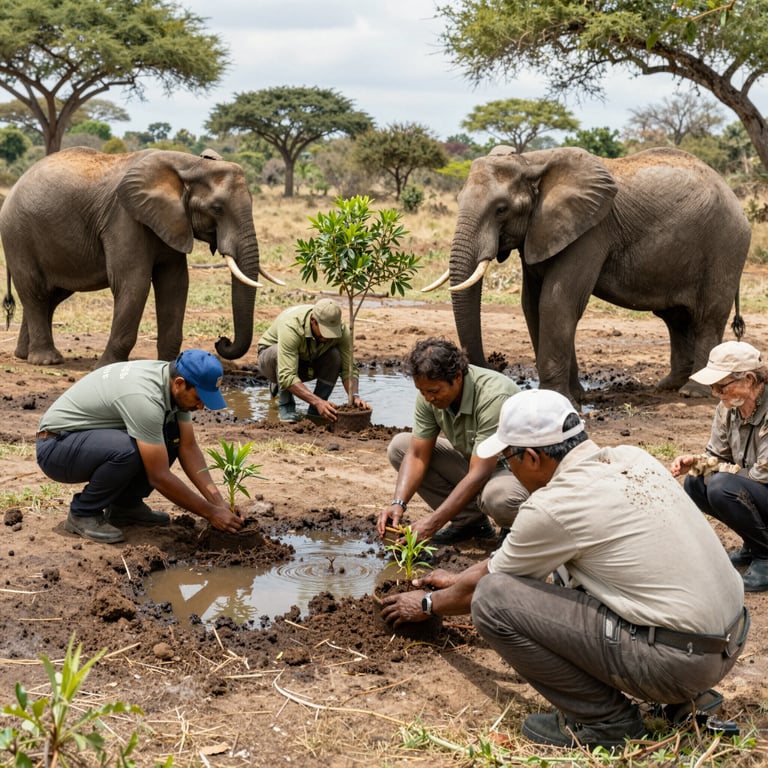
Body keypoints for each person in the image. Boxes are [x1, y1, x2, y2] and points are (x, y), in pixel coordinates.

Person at [380, 389, 748, 750]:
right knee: (566, 571)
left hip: (678, 663)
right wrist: (457, 579)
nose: (509, 470)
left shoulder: (555, 505)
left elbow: (490, 585)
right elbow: (506, 562)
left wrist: (427, 604)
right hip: (726, 642)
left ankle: (605, 721)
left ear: (532, 457)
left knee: (492, 600)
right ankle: (689, 698)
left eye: (508, 459)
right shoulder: (631, 458)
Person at [36, 349, 244, 544]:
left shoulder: (173, 385)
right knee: (130, 450)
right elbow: (159, 476)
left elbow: (188, 447)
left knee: (172, 435)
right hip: (57, 447)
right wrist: (210, 513)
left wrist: (218, 502)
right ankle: (83, 512)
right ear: (179, 384)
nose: (201, 406)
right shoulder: (146, 397)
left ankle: (126, 506)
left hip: (90, 440)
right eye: (199, 398)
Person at [377, 337, 528, 545]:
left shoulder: (492, 396)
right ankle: (469, 523)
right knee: (400, 448)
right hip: (477, 463)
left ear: (457, 376)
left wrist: (433, 523)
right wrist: (398, 503)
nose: (428, 398)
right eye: (422, 391)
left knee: (499, 496)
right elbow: (417, 455)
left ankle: (515, 529)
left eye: (433, 391)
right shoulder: (429, 393)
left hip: (515, 473)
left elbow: (479, 473)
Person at [670, 340, 768, 592]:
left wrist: (716, 471)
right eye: (712, 387)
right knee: (695, 481)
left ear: (748, 380)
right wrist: (697, 463)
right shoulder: (728, 409)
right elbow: (717, 454)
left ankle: (765, 556)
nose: (715, 393)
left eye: (720, 386)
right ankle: (753, 544)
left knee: (721, 486)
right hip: (755, 489)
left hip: (761, 483)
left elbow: (761, 474)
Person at [257, 298, 368, 423]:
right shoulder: (292, 326)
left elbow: (349, 368)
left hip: (306, 359)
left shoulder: (341, 329)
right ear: (313, 321)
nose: (327, 337)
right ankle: (286, 407)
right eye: (325, 331)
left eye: (332, 332)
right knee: (280, 357)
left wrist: (354, 396)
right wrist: (317, 402)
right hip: (270, 361)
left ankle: (315, 412)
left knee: (335, 356)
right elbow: (287, 375)